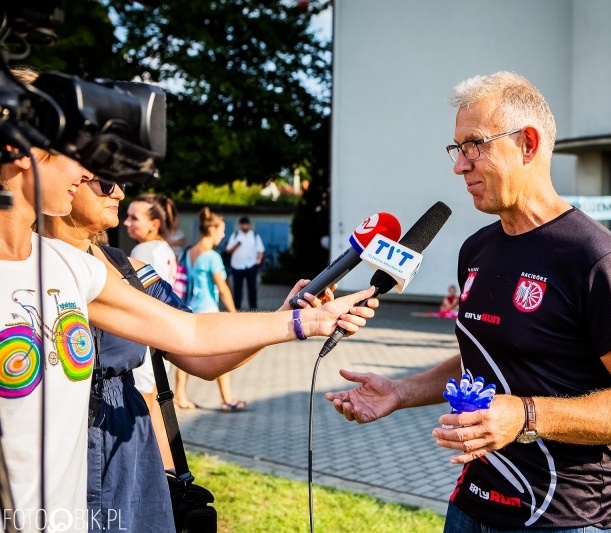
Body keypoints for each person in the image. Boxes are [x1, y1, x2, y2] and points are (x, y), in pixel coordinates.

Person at [0, 66, 377, 532]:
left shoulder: (75, 268)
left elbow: (191, 332)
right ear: (18, 151)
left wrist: (299, 321)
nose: (99, 176)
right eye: (74, 151)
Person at [326, 71, 611, 531]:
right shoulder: (477, 249)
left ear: (528, 144)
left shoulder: (595, 258)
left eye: (474, 145)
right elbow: (489, 355)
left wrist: (527, 416)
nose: (459, 166)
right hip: (471, 508)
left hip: (564, 517)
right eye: (456, 149)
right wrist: (402, 391)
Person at [124, 192, 181, 465]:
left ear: (154, 224)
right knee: (158, 410)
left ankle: (162, 470)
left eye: (134, 217)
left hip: (146, 341)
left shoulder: (142, 252)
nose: (126, 222)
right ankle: (169, 469)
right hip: (161, 339)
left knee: (147, 412)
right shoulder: (164, 249)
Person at [173, 207, 247, 412]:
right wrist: (234, 314)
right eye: (221, 230)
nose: (223, 235)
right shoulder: (212, 257)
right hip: (208, 310)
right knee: (222, 354)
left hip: (190, 309)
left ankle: (179, 395)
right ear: (212, 230)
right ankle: (227, 398)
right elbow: (222, 287)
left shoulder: (188, 253)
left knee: (184, 353)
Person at [225, 216, 265, 311]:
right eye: (243, 224)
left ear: (249, 225)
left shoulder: (254, 235)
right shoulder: (235, 235)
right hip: (237, 266)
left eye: (246, 224)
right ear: (240, 225)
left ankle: (253, 307)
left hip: (251, 265)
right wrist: (237, 244)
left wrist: (258, 260)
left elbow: (260, 250)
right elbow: (228, 250)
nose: (245, 226)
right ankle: (236, 307)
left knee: (252, 288)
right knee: (237, 288)